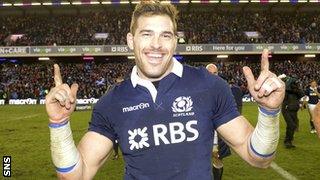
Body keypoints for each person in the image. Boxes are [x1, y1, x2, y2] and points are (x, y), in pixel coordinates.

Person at [45, 1, 285, 179]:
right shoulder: (112, 102)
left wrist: (269, 112)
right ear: (131, 40)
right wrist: (59, 124)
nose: (156, 45)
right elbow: (74, 175)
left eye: (165, 35)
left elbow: (259, 158)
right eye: (146, 34)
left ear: (175, 41)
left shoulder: (209, 85)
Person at [206, 63, 232, 180]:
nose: (212, 75)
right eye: (209, 73)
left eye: (215, 73)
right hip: (203, 133)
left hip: (219, 133)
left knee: (218, 161)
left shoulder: (224, 88)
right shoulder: (196, 89)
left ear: (218, 73)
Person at [281, 76, 304, 148]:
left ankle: (289, 141)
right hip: (286, 110)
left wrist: (296, 87)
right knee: (291, 125)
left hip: (294, 110)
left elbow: (302, 94)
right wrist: (290, 81)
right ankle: (287, 141)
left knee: (291, 126)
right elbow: (287, 88)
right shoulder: (286, 91)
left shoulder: (296, 91)